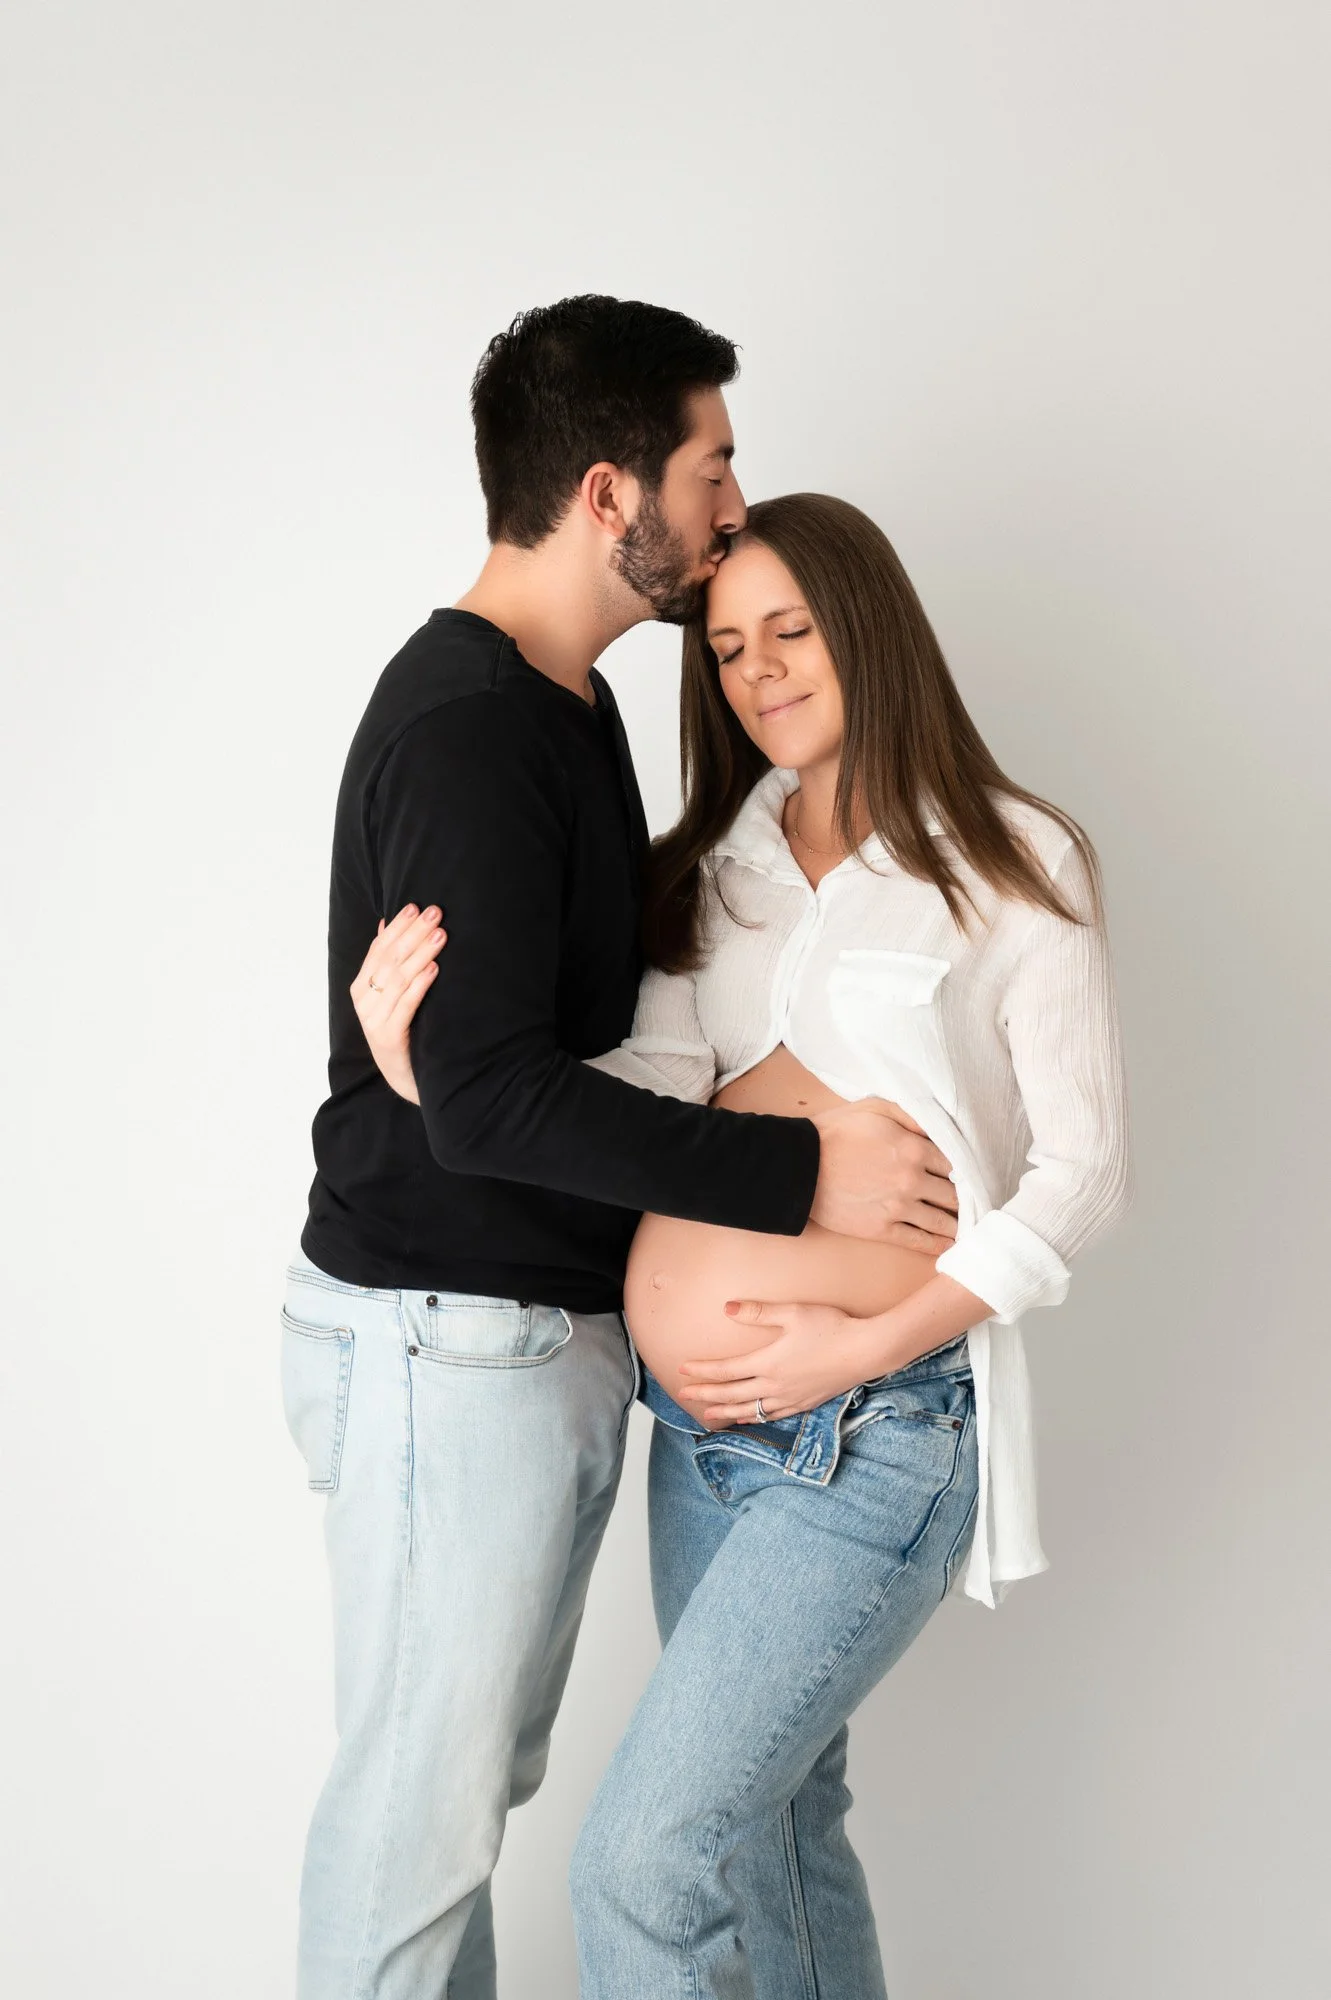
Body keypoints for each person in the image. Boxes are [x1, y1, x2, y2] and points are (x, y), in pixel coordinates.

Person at [353, 491, 1131, 1998]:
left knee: (641, 1859)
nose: (760, 670)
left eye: (792, 631)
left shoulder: (1014, 858)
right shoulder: (703, 870)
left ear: (871, 634)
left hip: (881, 1432)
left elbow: (1084, 1175)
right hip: (700, 1445)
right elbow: (627, 1114)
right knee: (774, 1830)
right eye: (724, 648)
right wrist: (422, 1071)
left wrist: (857, 1345)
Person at [282, 305, 959, 2000]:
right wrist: (804, 1182)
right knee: (417, 1830)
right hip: (449, 1336)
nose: (731, 503)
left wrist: (429, 1067)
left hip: (523, 1334)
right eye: (708, 465)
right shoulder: (472, 725)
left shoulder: (566, 704)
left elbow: (548, 1044)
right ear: (607, 493)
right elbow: (501, 1097)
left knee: (463, 1805)